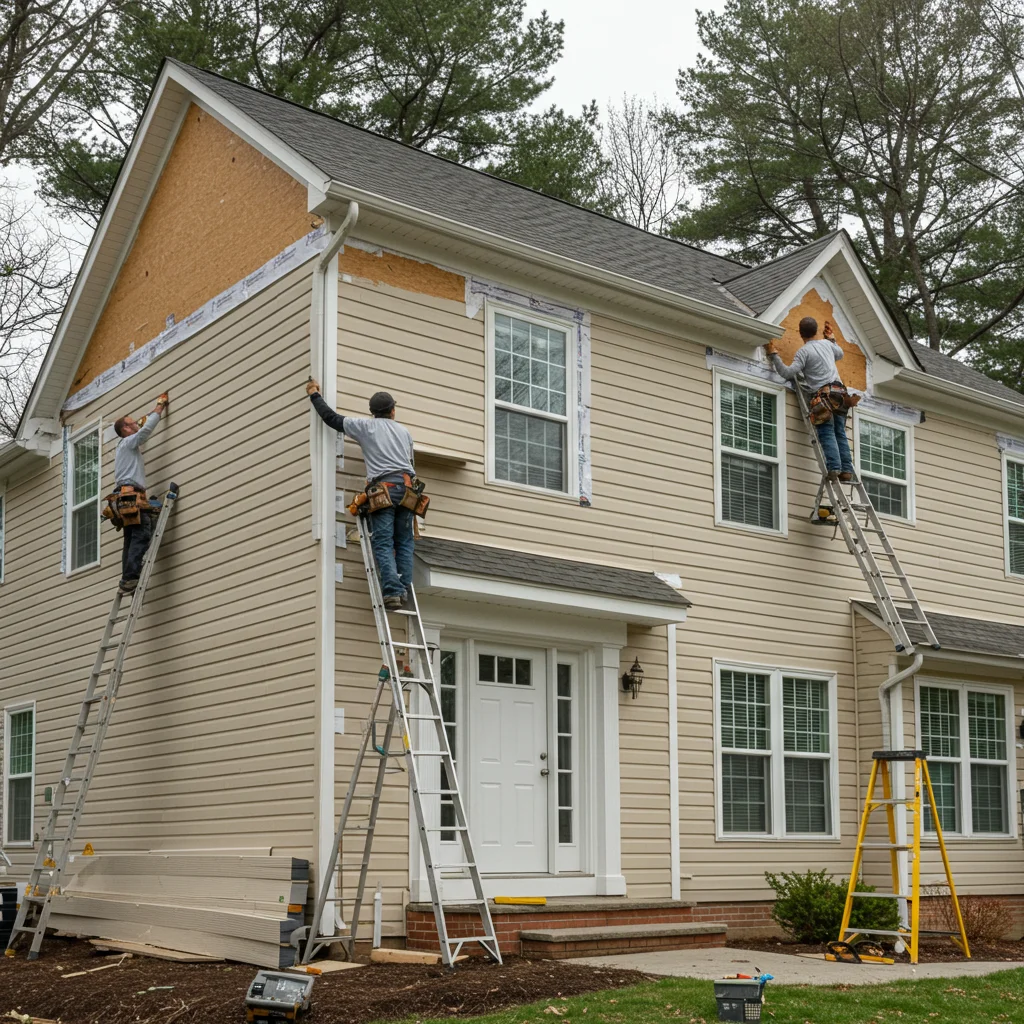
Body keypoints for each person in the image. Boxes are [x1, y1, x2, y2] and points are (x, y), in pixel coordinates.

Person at [306, 379, 415, 611]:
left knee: (383, 541)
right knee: (404, 541)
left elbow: (332, 419)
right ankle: (404, 587)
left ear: (372, 412)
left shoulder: (366, 427)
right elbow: (409, 463)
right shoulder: (404, 432)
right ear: (393, 411)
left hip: (384, 489)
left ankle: (393, 592)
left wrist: (314, 394)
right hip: (408, 489)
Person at [765, 317, 856, 482]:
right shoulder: (827, 344)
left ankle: (834, 467)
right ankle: (847, 471)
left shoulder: (804, 352)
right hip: (841, 394)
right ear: (816, 331)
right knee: (840, 433)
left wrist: (773, 355)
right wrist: (831, 339)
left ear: (800, 333)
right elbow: (840, 353)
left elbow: (787, 373)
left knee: (827, 431)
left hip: (824, 397)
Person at [111, 392, 169, 595]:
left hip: (124, 497)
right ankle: (130, 577)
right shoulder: (128, 442)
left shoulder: (123, 447)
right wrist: (159, 407)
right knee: (141, 534)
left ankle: (127, 579)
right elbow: (144, 432)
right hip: (131, 495)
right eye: (132, 423)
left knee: (130, 539)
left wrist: (148, 415)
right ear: (126, 429)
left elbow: (141, 425)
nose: (136, 423)